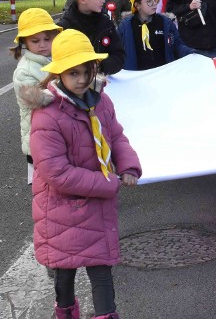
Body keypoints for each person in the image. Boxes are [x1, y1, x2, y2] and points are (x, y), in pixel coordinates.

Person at [30, 29, 142, 319]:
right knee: (64, 273)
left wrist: (128, 165)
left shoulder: (101, 101)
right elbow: (56, 172)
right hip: (61, 210)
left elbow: (116, 136)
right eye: (73, 73)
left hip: (95, 204)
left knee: (101, 271)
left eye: (86, 71)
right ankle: (66, 313)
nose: (81, 80)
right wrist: (107, 184)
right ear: (59, 75)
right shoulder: (47, 114)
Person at [11, 8, 62, 184]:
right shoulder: (24, 71)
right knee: (44, 185)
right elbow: (39, 99)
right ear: (24, 42)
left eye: (47, 39)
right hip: (37, 137)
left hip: (58, 132)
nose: (42, 45)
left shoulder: (58, 58)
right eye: (35, 40)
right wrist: (66, 88)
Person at [58, 0, 125, 75]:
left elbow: (119, 55)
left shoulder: (106, 24)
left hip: (104, 82)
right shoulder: (64, 28)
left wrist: (101, 66)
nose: (103, 0)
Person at [118, 0, 195, 70]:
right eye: (149, 1)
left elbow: (177, 45)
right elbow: (117, 52)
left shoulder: (165, 23)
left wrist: (192, 53)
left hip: (162, 75)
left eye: (155, 0)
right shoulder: (125, 27)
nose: (154, 3)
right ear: (137, 5)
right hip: (136, 78)